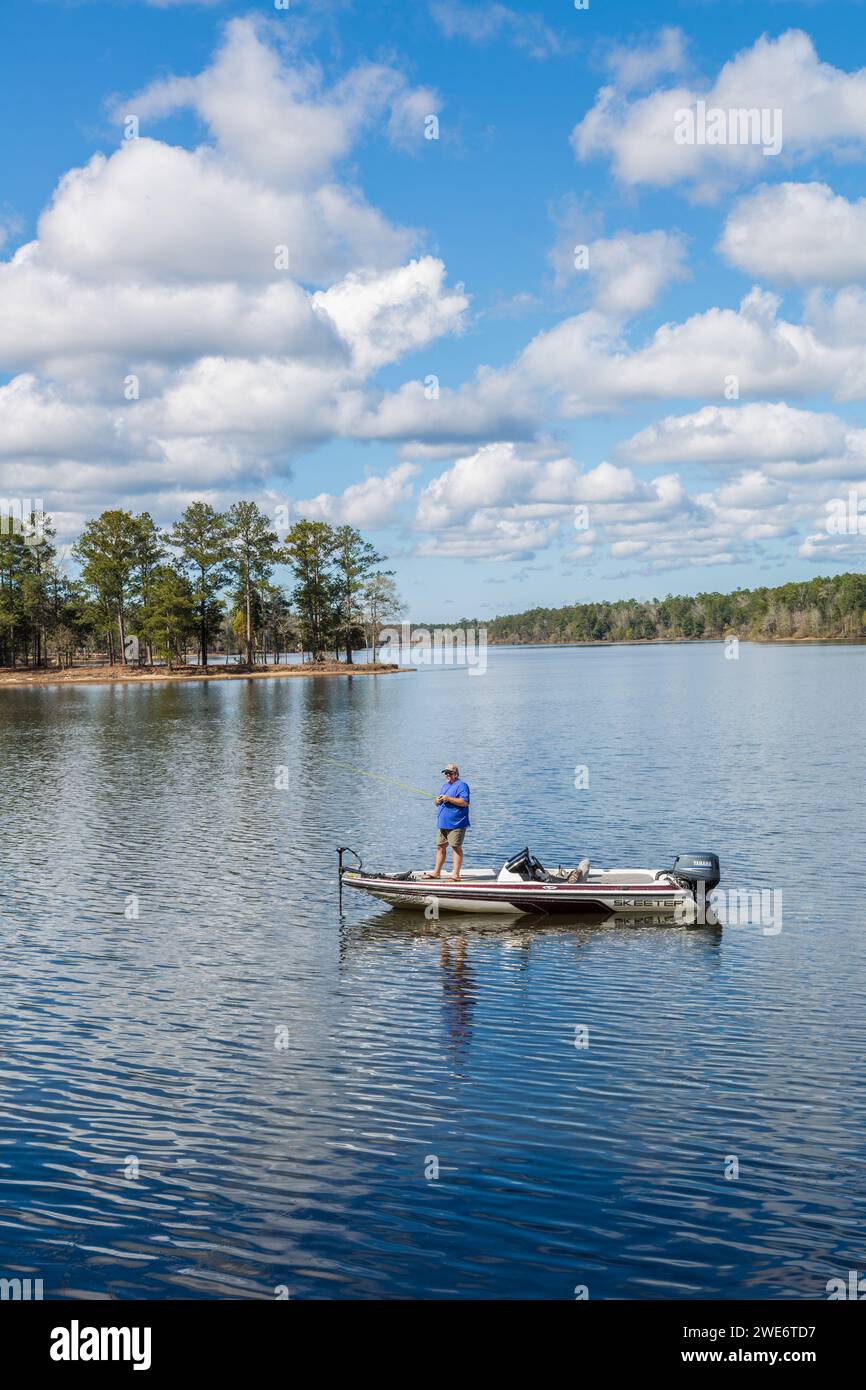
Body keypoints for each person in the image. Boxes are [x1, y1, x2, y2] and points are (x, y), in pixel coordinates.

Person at [428, 763, 470, 880]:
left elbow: (465, 802)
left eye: (449, 773)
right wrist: (437, 801)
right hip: (443, 823)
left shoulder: (462, 786)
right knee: (440, 846)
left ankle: (456, 875)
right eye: (445, 773)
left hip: (457, 823)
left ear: (455, 774)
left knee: (456, 847)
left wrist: (449, 799)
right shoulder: (445, 786)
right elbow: (438, 802)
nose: (447, 775)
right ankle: (436, 872)